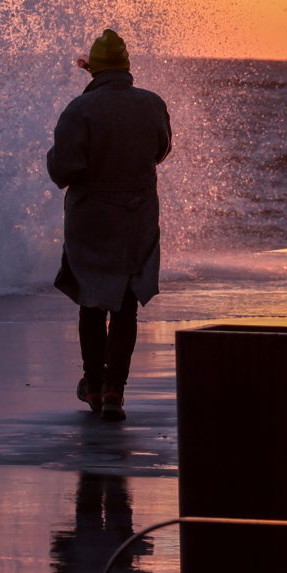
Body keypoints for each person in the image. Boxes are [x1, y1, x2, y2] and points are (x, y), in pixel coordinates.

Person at [46, 28, 173, 420]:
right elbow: (161, 149)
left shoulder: (79, 110)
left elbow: (64, 169)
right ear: (127, 67)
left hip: (92, 220)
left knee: (91, 302)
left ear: (94, 71)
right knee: (126, 305)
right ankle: (116, 389)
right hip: (137, 217)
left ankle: (96, 387)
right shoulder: (152, 104)